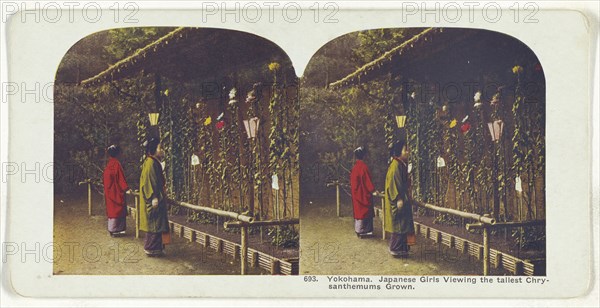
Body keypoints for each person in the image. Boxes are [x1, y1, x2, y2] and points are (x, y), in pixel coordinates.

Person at [384, 140, 416, 257]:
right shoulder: (395, 166)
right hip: (398, 199)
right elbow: (394, 183)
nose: (408, 152)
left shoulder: (400, 164)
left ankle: (402, 248)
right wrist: (398, 198)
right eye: (405, 150)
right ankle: (395, 248)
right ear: (398, 152)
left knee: (403, 224)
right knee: (399, 224)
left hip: (403, 197)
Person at [139, 138, 170, 257]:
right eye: (159, 148)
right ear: (152, 150)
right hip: (154, 197)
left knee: (157, 223)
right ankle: (152, 248)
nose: (162, 150)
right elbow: (149, 182)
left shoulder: (153, 161)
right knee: (154, 223)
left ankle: (156, 248)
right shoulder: (151, 163)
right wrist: (153, 197)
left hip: (157, 196)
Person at [103, 145, 129, 237]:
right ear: (117, 154)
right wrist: (126, 188)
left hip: (110, 190)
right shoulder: (117, 164)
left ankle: (112, 229)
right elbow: (120, 178)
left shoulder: (109, 164)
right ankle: (117, 229)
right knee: (118, 209)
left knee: (112, 209)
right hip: (116, 190)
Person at [350, 146, 376, 237]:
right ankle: (364, 231)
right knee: (365, 211)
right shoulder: (363, 167)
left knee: (359, 211)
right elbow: (367, 181)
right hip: (363, 193)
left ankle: (358, 229)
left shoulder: (355, 167)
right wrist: (372, 190)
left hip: (356, 193)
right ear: (364, 156)